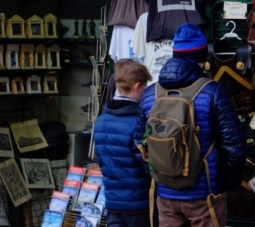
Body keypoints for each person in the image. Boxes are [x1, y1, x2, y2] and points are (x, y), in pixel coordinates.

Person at [134, 23, 246, 227]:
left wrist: (161, 174)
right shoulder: (213, 91)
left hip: (165, 196)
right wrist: (226, 184)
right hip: (205, 196)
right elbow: (234, 146)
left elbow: (139, 145)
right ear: (202, 59)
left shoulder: (150, 94)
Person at [94, 59, 152, 227]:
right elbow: (146, 164)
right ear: (136, 86)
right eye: (145, 87)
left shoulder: (101, 121)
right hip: (139, 204)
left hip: (113, 202)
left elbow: (103, 160)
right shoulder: (139, 123)